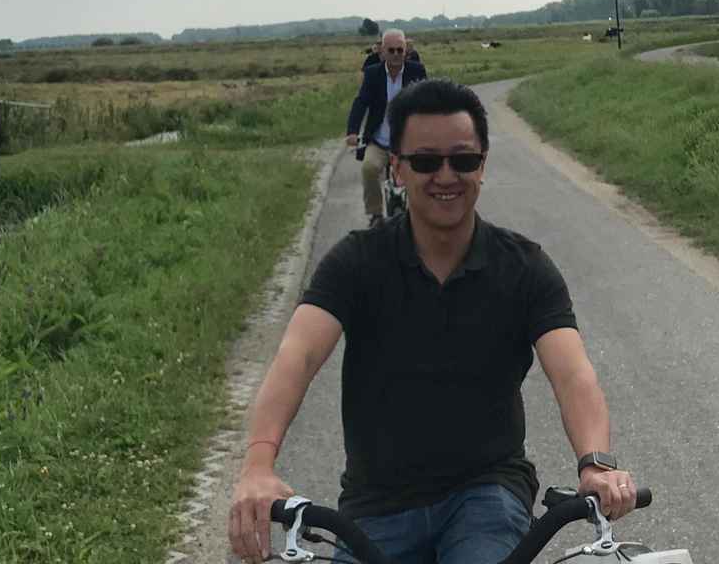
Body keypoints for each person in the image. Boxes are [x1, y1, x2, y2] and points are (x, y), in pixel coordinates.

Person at [229, 78, 638, 564]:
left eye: (463, 160)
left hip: (486, 492)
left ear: (482, 165)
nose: (446, 176)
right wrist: (258, 464)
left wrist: (595, 463)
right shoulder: (356, 262)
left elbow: (572, 372)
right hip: (376, 505)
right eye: (426, 162)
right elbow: (297, 356)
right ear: (397, 170)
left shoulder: (524, 267)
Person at [346, 29, 426, 227]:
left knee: (423, 173)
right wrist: (352, 132)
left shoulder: (417, 71)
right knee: (369, 168)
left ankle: (421, 214)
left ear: (406, 50)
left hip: (408, 141)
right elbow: (361, 102)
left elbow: (428, 100)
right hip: (380, 141)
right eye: (391, 50)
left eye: (400, 50)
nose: (396, 55)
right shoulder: (373, 74)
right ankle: (375, 215)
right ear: (382, 51)